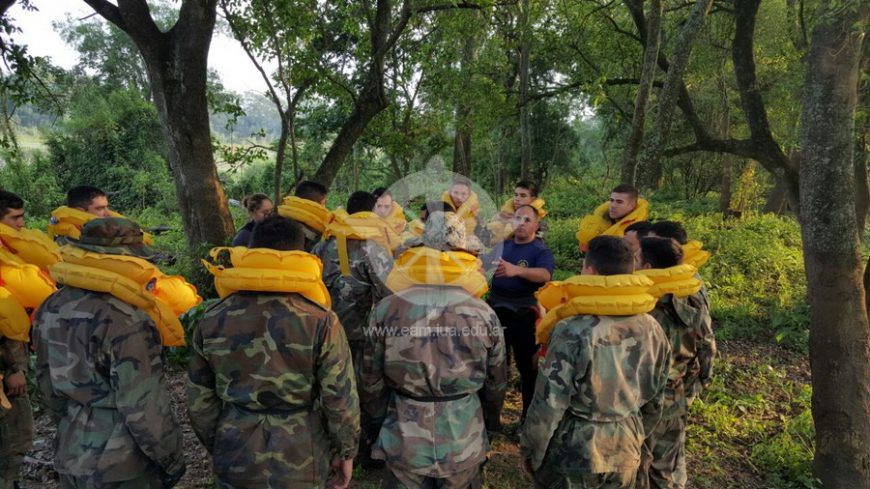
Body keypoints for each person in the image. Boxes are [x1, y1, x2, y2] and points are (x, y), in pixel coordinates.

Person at [188, 215, 360, 488]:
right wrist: (346, 451)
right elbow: (339, 398)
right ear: (300, 256)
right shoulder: (320, 320)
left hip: (236, 445)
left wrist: (221, 442)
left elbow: (199, 401)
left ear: (252, 252)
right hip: (302, 448)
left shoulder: (213, 318)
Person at [33, 218, 186, 488]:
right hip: (122, 462)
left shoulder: (51, 304)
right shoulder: (127, 318)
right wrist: (170, 458)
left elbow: (46, 386)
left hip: (72, 449)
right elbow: (143, 405)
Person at [361, 210, 507, 488]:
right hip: (463, 435)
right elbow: (495, 382)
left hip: (404, 435)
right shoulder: (483, 313)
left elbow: (370, 378)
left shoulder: (386, 309)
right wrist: (488, 424)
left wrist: (379, 423)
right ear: (465, 254)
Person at [520, 236, 671, 489]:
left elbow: (549, 402)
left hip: (575, 451)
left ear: (590, 271)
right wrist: (636, 435)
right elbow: (657, 396)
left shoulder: (573, 329)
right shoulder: (652, 326)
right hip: (626, 443)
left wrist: (531, 451)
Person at [312, 191, 394, 465]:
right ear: (371, 213)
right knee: (367, 389)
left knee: (330, 387)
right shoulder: (372, 246)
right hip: (361, 333)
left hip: (322, 331)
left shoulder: (323, 243)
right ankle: (364, 448)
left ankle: (333, 444)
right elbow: (390, 292)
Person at [636, 237, 716, 489]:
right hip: (676, 399)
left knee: (640, 471)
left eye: (636, 259)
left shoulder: (649, 310)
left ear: (647, 267)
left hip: (647, 406)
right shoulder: (692, 300)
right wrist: (692, 389)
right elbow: (707, 348)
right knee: (665, 472)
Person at [484, 204, 554, 420]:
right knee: (494, 367)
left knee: (528, 368)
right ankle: (491, 418)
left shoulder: (540, 250)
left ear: (536, 225)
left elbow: (545, 274)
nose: (521, 224)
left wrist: (518, 271)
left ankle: (527, 418)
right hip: (496, 310)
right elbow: (482, 264)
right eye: (517, 219)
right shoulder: (502, 245)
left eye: (527, 220)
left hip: (525, 313)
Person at [576, 184, 649, 252]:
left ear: (632, 205)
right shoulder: (603, 219)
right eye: (611, 200)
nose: (613, 206)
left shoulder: (638, 231)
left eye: (619, 202)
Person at [277, 180, 330, 252]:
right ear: (313, 205)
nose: (324, 208)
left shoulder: (315, 235)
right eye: (323, 204)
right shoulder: (290, 234)